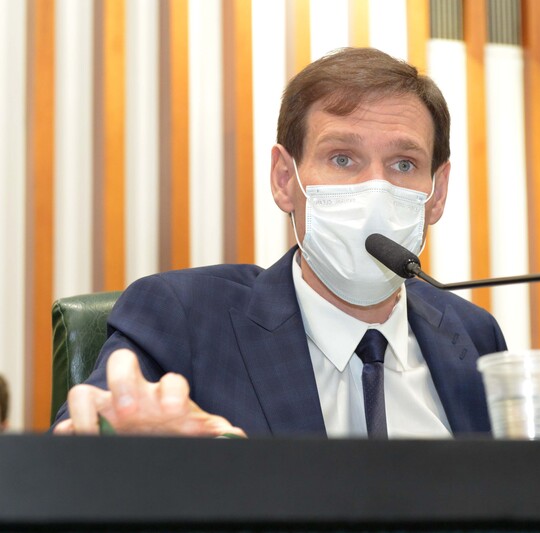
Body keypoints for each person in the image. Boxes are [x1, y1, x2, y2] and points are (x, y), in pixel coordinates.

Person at [53, 47, 507, 438]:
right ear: (285, 179)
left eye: (404, 164)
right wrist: (123, 448)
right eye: (342, 158)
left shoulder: (474, 337)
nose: (375, 188)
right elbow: (79, 450)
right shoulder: (183, 317)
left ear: (437, 193)